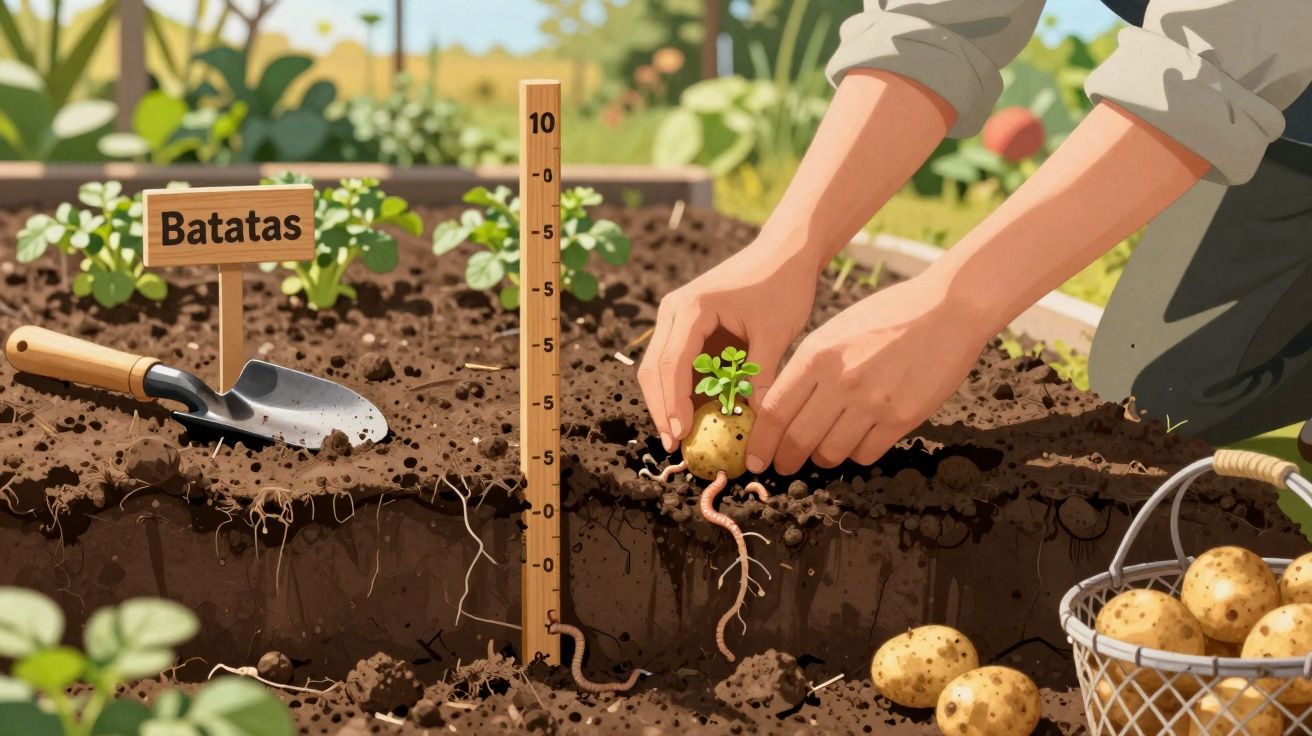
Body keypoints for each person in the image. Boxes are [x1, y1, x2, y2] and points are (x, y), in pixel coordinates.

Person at [638, 0, 1312, 476]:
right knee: (1168, 385)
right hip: (1292, 120)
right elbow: (937, 20)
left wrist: (956, 301)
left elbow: (1218, 55)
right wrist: (785, 250)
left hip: (1268, 48)